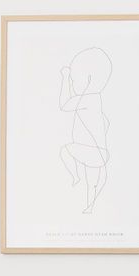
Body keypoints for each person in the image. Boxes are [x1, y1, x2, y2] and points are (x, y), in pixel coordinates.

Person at [58, 47, 113, 213]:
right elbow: (106, 122)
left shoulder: (88, 99)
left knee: (65, 151)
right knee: (92, 185)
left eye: (74, 81)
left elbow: (64, 105)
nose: (73, 85)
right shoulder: (97, 100)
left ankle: (75, 176)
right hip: (100, 153)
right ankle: (89, 209)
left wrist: (65, 79)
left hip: (89, 151)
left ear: (88, 79)